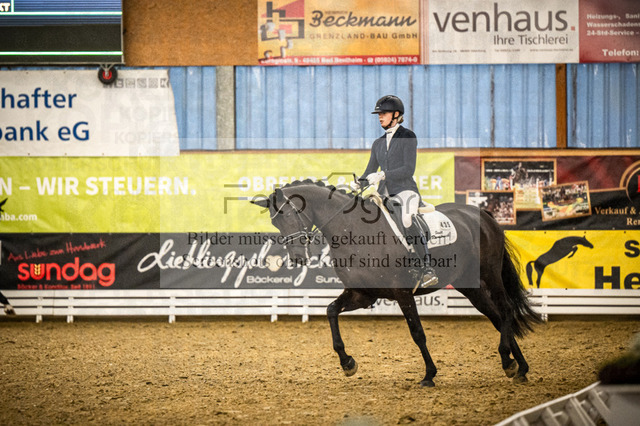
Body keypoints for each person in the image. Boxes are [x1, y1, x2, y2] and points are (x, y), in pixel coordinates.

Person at [358, 95, 437, 289]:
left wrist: (383, 175)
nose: (380, 117)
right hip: (384, 194)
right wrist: (357, 185)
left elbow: (408, 169)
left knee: (407, 219)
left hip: (405, 191)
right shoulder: (378, 143)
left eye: (383, 113)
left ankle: (427, 268)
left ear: (396, 115)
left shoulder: (408, 136)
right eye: (379, 114)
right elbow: (369, 171)